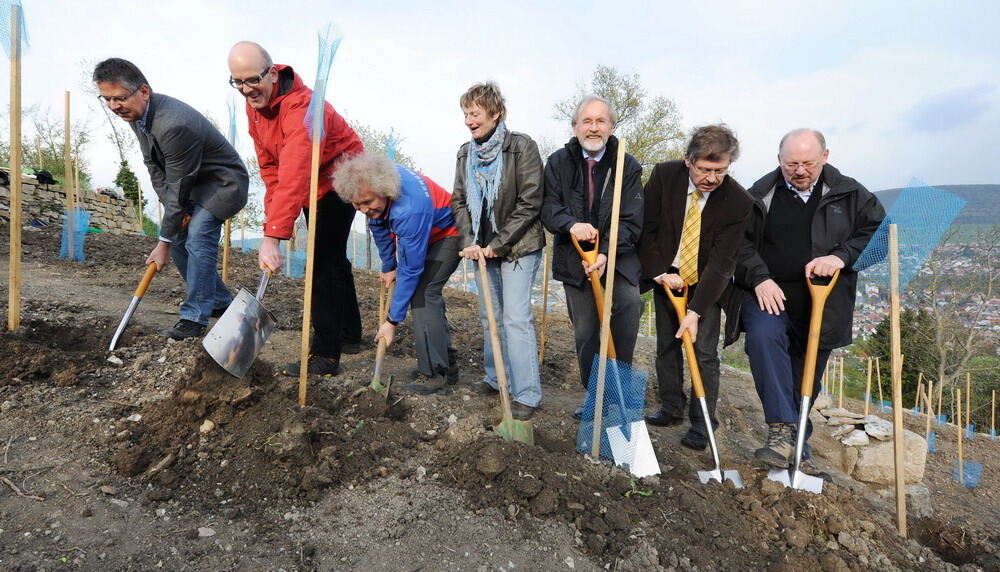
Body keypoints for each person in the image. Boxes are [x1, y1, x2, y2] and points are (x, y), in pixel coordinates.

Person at [725, 128, 884, 469]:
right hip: (770, 293)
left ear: (825, 157)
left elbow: (879, 238)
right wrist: (761, 279)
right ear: (779, 160)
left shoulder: (852, 195)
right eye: (791, 163)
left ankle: (796, 442)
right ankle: (782, 432)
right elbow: (737, 245)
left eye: (808, 163)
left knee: (804, 376)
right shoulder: (758, 195)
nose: (799, 170)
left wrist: (841, 257)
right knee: (763, 339)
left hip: (824, 300)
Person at [227, 42, 365, 377]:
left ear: (273, 73)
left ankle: (326, 355)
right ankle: (349, 334)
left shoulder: (303, 108)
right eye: (237, 82)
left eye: (252, 80)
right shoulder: (255, 105)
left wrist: (273, 237)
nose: (246, 90)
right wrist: (274, 222)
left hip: (340, 176)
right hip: (309, 181)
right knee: (332, 258)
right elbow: (271, 169)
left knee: (323, 262)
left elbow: (295, 171)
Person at [93, 58, 248, 340]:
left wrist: (162, 241)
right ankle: (220, 302)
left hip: (223, 184)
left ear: (143, 91)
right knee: (179, 237)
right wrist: (174, 223)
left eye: (120, 98)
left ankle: (193, 319)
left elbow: (178, 183)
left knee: (197, 237)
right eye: (107, 99)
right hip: (194, 184)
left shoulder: (174, 124)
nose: (114, 106)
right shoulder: (137, 115)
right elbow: (155, 168)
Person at [638, 125, 753, 450]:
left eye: (720, 170)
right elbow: (647, 231)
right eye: (705, 169)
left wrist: (696, 311)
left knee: (703, 353)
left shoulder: (737, 202)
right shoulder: (664, 176)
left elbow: (722, 263)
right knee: (666, 345)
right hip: (667, 276)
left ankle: (703, 424)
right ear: (689, 161)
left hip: (706, 285)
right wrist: (660, 272)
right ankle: (671, 408)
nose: (712, 178)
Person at [540, 96, 643, 418]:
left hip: (618, 257)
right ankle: (594, 394)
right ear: (575, 127)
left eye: (601, 121)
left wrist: (606, 253)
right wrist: (571, 225)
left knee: (627, 308)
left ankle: (617, 396)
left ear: (611, 127)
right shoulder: (558, 162)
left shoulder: (628, 164)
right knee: (586, 330)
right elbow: (548, 207)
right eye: (587, 121)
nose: (594, 127)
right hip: (575, 259)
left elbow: (631, 218)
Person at [451, 82, 546, 421]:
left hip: (519, 246)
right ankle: (496, 378)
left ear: (496, 114)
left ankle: (527, 394)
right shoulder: (465, 153)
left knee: (515, 319)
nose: (468, 120)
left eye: (474, 113)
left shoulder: (521, 147)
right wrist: (469, 241)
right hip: (481, 247)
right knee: (488, 315)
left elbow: (530, 201)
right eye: (465, 113)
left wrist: (498, 243)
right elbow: (459, 200)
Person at [333, 153, 462, 395]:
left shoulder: (408, 210)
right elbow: (378, 225)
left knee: (423, 295)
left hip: (447, 233)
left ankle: (436, 375)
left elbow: (411, 269)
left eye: (367, 202)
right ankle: (446, 364)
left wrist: (392, 321)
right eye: (356, 204)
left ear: (385, 192)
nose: (363, 209)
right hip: (424, 232)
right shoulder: (372, 191)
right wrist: (388, 265)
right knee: (422, 295)